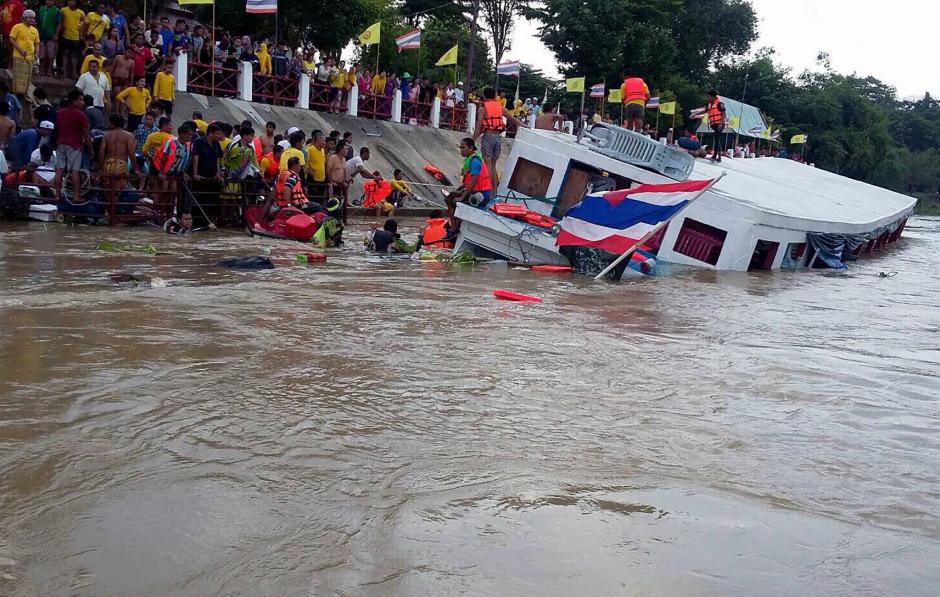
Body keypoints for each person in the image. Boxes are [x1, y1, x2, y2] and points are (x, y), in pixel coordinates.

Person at [473, 87, 523, 186]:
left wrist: (472, 140)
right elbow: (514, 120)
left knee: (487, 166)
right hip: (498, 138)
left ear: (484, 96)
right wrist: (524, 125)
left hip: (488, 136)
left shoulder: (483, 109)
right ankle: (494, 193)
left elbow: (479, 127)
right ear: (495, 96)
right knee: (493, 166)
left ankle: (487, 190)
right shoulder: (500, 108)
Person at [445, 137, 493, 230]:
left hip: (481, 195)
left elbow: (473, 180)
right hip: (475, 192)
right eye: (460, 148)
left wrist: (462, 197)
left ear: (471, 148)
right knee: (450, 197)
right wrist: (459, 189)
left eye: (463, 147)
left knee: (453, 201)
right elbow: (468, 181)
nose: (461, 150)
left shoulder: (475, 161)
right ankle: (455, 227)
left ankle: (455, 229)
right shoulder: (470, 159)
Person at [53, 89, 92, 201]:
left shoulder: (60, 113)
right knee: (75, 171)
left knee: (59, 170)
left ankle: (57, 195)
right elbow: (86, 134)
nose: (83, 103)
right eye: (81, 100)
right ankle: (76, 196)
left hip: (60, 143)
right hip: (74, 144)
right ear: (74, 100)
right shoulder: (81, 115)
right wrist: (90, 148)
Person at [99, 113, 138, 195]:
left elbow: (102, 151)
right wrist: (136, 169)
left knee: (107, 190)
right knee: (118, 190)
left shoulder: (107, 135)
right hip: (121, 164)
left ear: (112, 123)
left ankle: (110, 207)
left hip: (108, 163)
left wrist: (100, 166)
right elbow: (131, 152)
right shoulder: (129, 136)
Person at [190, 122, 223, 217]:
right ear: (210, 133)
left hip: (212, 176)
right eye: (217, 134)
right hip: (201, 175)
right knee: (199, 199)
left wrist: (218, 173)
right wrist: (195, 173)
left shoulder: (216, 143)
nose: (219, 136)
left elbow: (218, 158)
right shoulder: (198, 142)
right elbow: (195, 158)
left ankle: (210, 218)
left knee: (212, 200)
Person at [152, 122, 193, 195]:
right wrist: (161, 173)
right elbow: (164, 157)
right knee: (163, 192)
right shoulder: (170, 142)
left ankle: (169, 206)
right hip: (166, 172)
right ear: (182, 134)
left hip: (176, 174)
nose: (190, 136)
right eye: (188, 134)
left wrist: (184, 172)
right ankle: (159, 206)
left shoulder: (188, 145)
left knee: (172, 193)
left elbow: (186, 160)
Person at [7, 8, 37, 96]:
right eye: (30, 18)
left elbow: (37, 43)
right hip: (19, 56)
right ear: (24, 18)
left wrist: (37, 52)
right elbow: (11, 39)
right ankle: (16, 94)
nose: (32, 20)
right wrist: (20, 50)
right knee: (18, 77)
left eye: (33, 18)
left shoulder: (35, 30)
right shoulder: (17, 27)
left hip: (30, 57)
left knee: (27, 77)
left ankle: (25, 94)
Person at [58, 0, 84, 80]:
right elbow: (59, 22)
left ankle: (74, 73)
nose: (70, 2)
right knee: (65, 54)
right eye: (69, 1)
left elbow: (85, 22)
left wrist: (81, 33)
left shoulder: (80, 12)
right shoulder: (63, 10)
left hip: (76, 37)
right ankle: (65, 73)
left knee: (74, 56)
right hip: (65, 36)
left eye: (72, 1)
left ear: (75, 2)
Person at [36, 0, 58, 76]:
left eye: (51, 0)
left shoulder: (57, 10)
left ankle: (49, 70)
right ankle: (41, 69)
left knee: (51, 54)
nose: (49, 2)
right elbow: (37, 20)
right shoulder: (41, 8)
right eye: (48, 0)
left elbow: (59, 24)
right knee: (41, 54)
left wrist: (56, 34)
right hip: (41, 35)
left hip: (51, 35)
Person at [705, 90, 726, 162]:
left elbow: (723, 113)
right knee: (716, 139)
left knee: (717, 139)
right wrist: (695, 114)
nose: (708, 98)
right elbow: (705, 110)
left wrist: (720, 123)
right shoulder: (710, 104)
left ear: (713, 97)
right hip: (715, 124)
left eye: (709, 97)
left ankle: (718, 157)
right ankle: (715, 156)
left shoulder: (719, 104)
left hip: (719, 124)